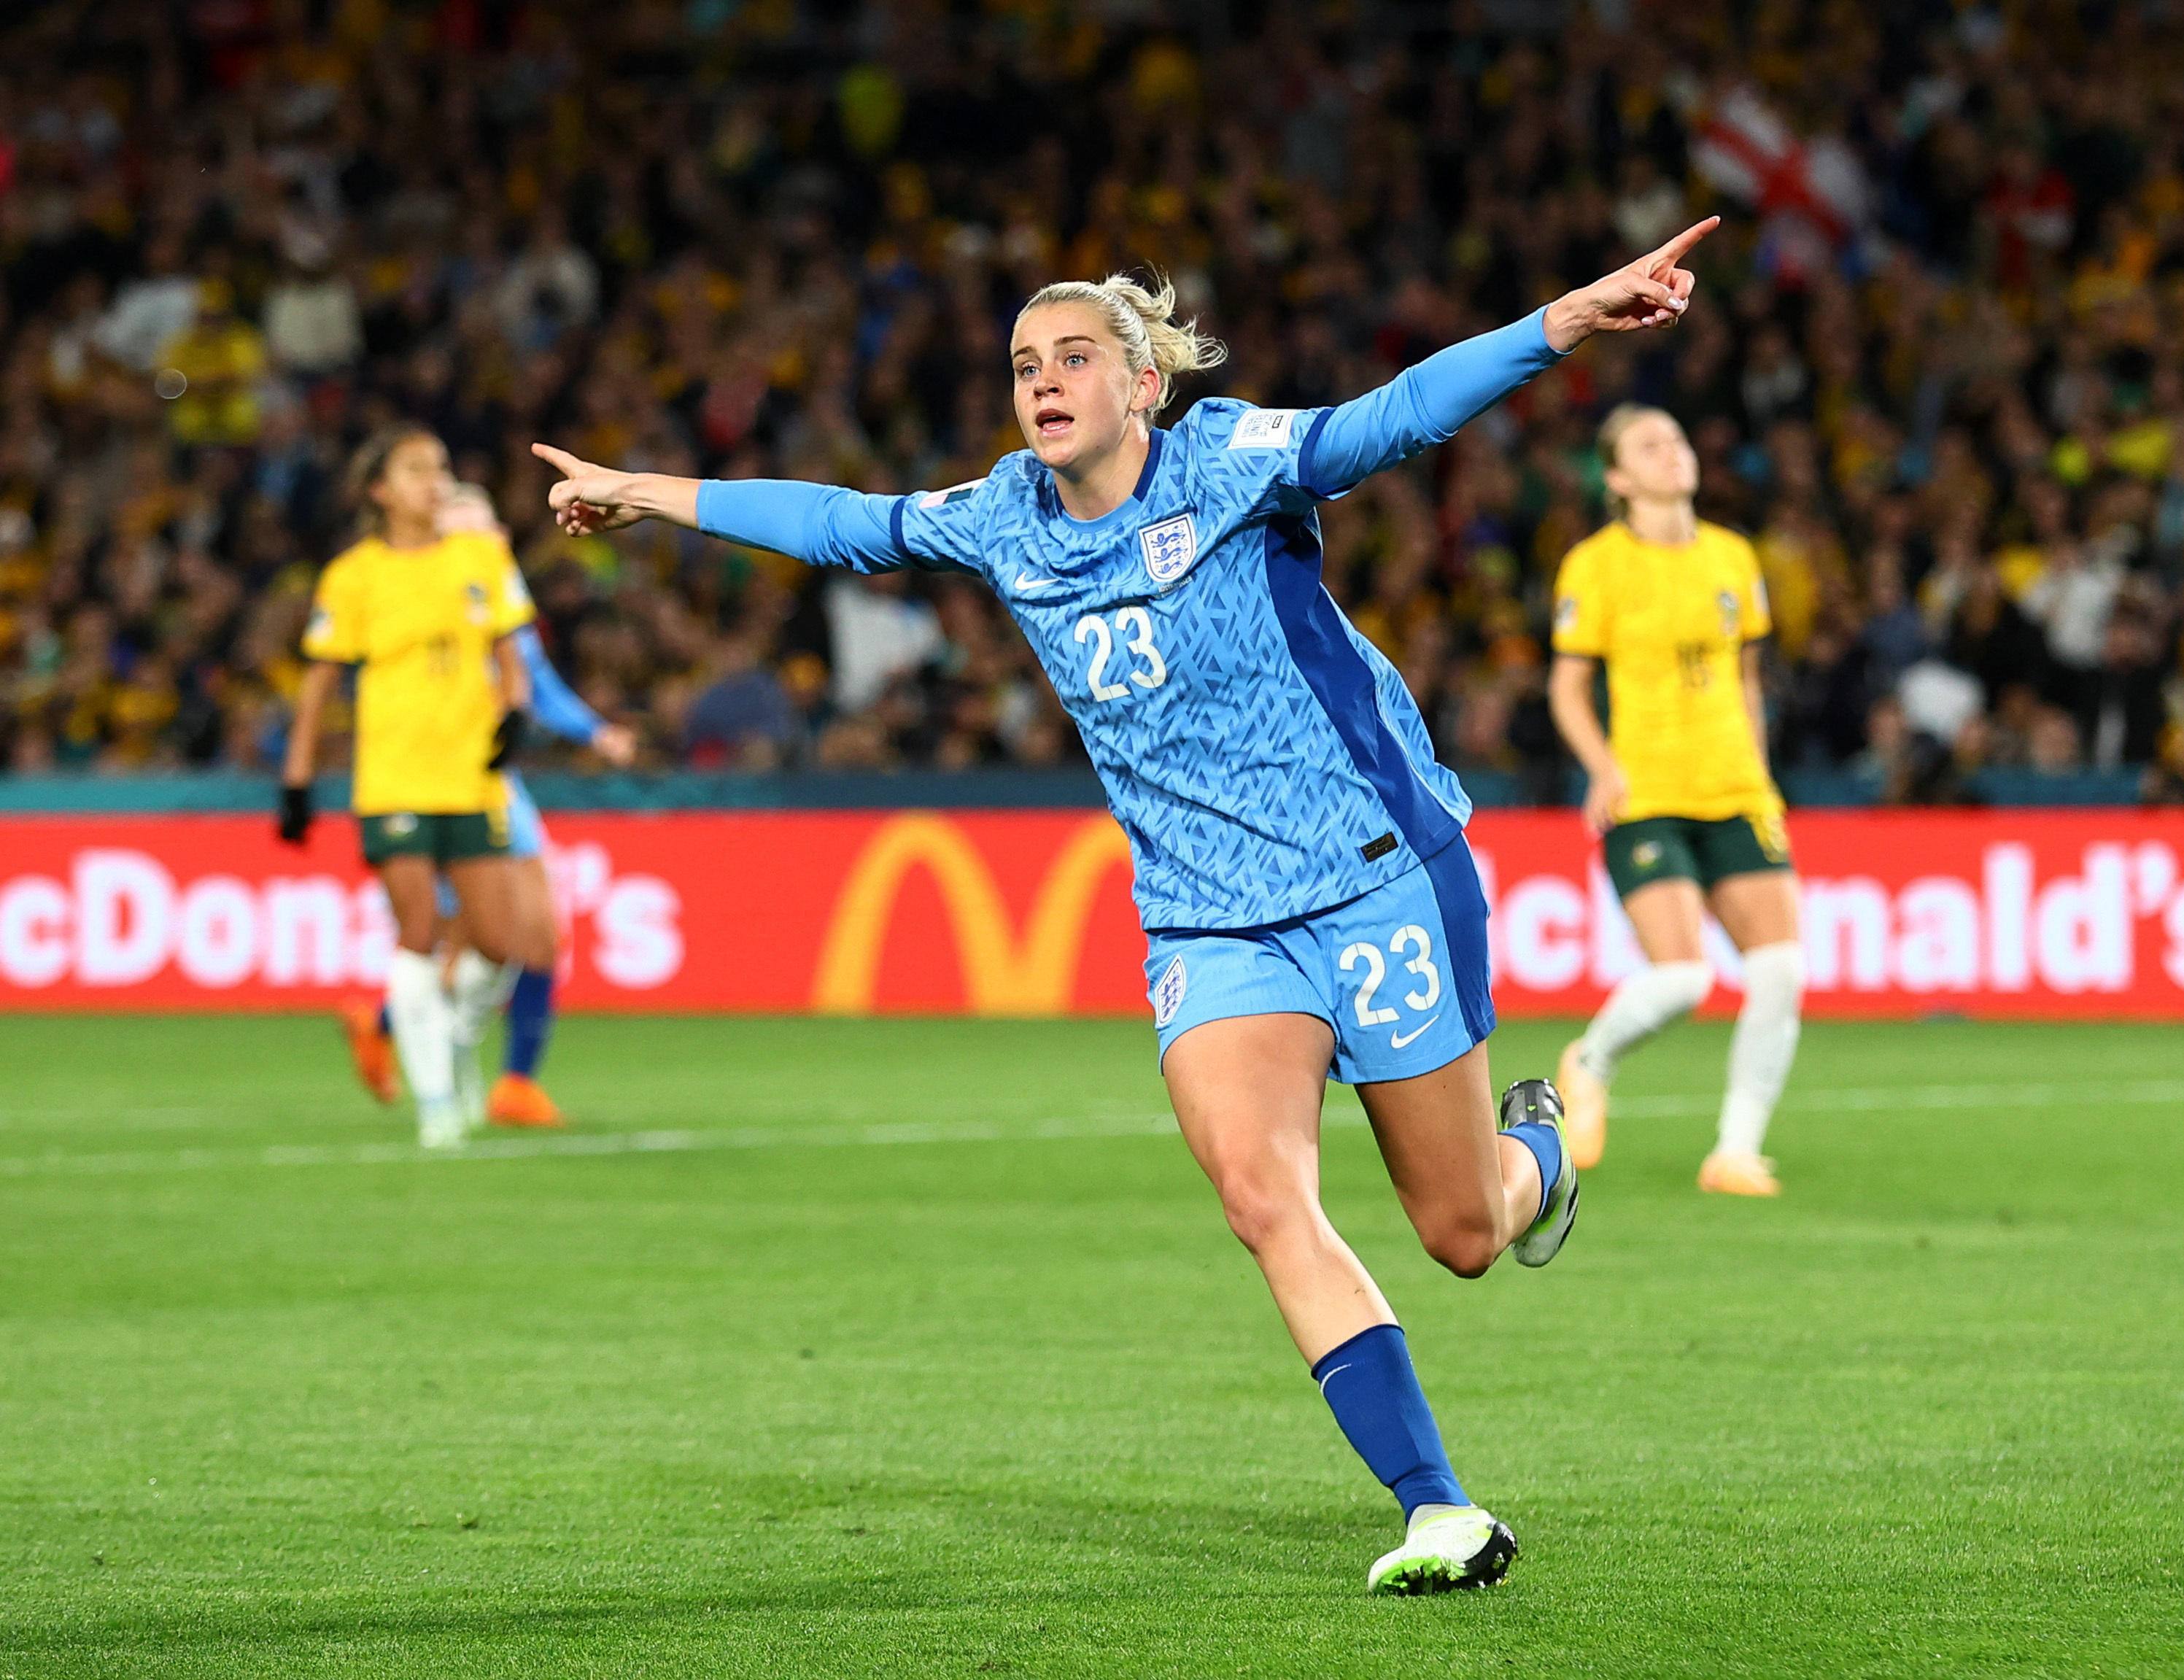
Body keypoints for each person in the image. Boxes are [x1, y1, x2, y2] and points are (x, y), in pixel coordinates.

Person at [532, 220, 1716, 1595]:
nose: (1043, 380)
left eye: (1074, 356)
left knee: (1463, 1232)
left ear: (1142, 381)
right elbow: (841, 524)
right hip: (1212, 922)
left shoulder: (1232, 460)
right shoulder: (1001, 518)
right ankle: (1439, 1506)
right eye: (1025, 361)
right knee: (1262, 1193)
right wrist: (647, 491)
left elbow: (1396, 417)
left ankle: (1539, 1161)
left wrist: (1566, 316)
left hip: (1380, 868)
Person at [1546, 404, 1805, 1197]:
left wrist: (1758, 772)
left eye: (1678, 439)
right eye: (1649, 446)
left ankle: (1735, 1150)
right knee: (1686, 977)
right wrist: (1601, 766)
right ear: (1618, 478)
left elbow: (1748, 680)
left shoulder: (1733, 555)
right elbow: (1567, 689)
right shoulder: (1596, 565)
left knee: (1781, 969)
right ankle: (1589, 1061)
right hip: (1648, 789)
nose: (1672, 454)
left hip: (1734, 787)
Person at [337, 484, 638, 1127]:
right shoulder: (445, 608)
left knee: (500, 936)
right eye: (473, 532)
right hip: (449, 786)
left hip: (494, 784)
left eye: (493, 526)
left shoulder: (496, 602)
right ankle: (493, 1076)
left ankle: (403, 1033)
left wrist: (595, 732)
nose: (492, 539)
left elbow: (534, 686)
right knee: (503, 936)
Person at [280, 425, 535, 1149]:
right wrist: (298, 775)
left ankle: (457, 1034)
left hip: (472, 775)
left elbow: (511, 648)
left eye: (443, 466)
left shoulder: (483, 556)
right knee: (417, 934)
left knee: (499, 940)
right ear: (380, 491)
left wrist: (514, 712)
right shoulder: (354, 575)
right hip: (392, 778)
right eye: (417, 469)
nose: (436, 479)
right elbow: (320, 680)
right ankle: (436, 1106)